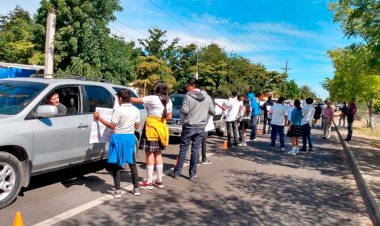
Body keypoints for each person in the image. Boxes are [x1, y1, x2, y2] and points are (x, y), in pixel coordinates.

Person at [93, 89, 141, 197]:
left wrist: (99, 118)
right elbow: (137, 126)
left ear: (120, 98)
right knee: (132, 164)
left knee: (116, 164)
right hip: (129, 138)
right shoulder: (136, 110)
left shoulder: (118, 110)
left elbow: (112, 126)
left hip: (118, 138)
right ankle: (136, 189)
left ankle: (118, 190)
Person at [130, 81, 173, 189]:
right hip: (161, 130)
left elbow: (135, 100)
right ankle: (159, 180)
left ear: (157, 89)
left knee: (149, 154)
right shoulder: (169, 101)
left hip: (151, 129)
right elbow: (169, 117)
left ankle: (149, 181)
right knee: (158, 154)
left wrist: (124, 95)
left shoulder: (153, 98)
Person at [173, 78, 215, 181]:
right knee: (195, 150)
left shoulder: (188, 96)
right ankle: (192, 174)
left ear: (192, 86)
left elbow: (185, 110)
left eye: (187, 86)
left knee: (183, 149)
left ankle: (177, 172)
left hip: (188, 126)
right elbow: (213, 111)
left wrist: (186, 111)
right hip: (200, 127)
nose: (186, 88)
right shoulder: (207, 97)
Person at [199, 86, 214, 165]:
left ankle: (195, 159)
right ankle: (204, 159)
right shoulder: (208, 98)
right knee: (203, 142)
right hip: (205, 124)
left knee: (196, 143)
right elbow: (212, 111)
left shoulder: (194, 97)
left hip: (196, 123)